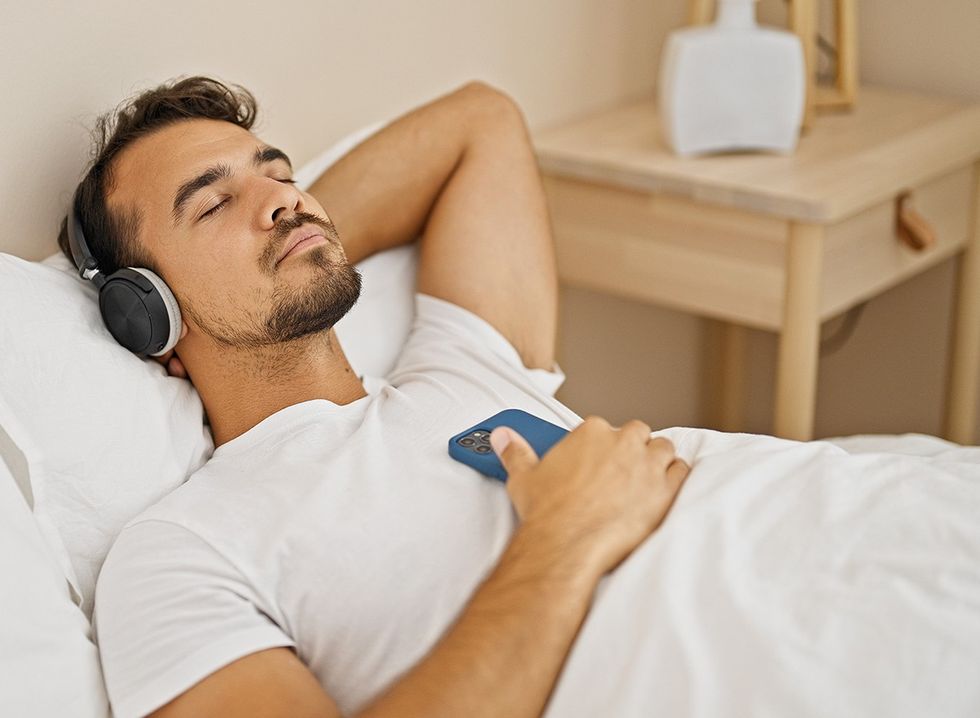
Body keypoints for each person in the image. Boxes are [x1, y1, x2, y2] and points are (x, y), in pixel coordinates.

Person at [65, 76, 691, 718]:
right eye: (213, 205)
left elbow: (482, 120)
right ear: (145, 313)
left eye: (278, 172)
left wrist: (286, 241)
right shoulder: (181, 554)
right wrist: (565, 537)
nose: (285, 198)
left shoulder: (464, 363)